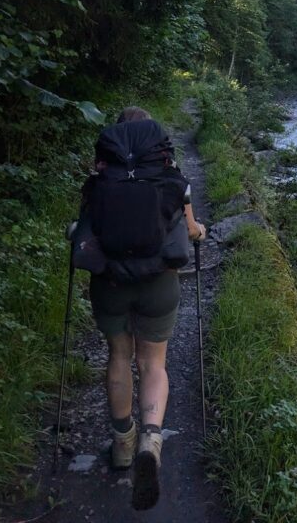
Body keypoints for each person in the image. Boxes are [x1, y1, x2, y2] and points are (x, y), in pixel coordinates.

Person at [84, 106, 206, 511]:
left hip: (111, 283)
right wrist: (198, 229)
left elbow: (85, 232)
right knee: (153, 363)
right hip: (158, 284)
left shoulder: (99, 182)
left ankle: (123, 444)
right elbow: (190, 230)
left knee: (118, 355)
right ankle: (151, 444)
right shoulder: (174, 182)